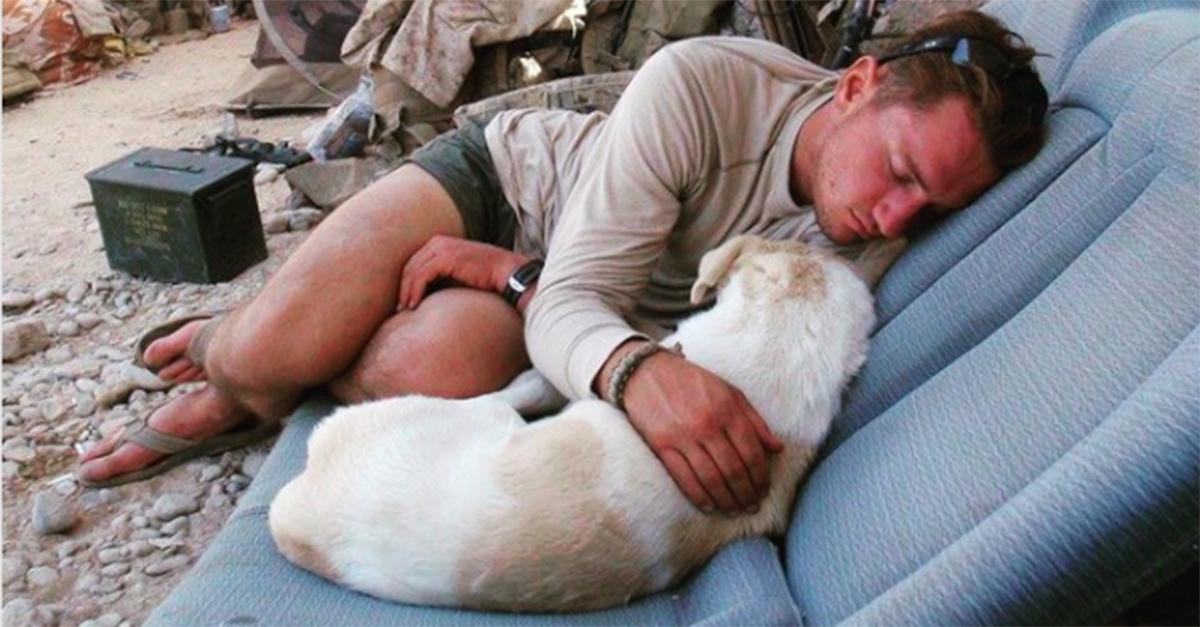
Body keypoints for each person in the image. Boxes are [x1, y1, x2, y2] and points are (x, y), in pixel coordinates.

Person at [78, 10, 1046, 516]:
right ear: (859, 84)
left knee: (429, 365)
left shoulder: (874, 236)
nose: (896, 217)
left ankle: (301, 339)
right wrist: (636, 371)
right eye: (901, 171)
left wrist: (517, 279)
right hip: (510, 184)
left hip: (542, 282)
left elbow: (584, 307)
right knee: (264, 357)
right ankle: (247, 361)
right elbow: (592, 306)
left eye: (933, 207)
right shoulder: (707, 84)